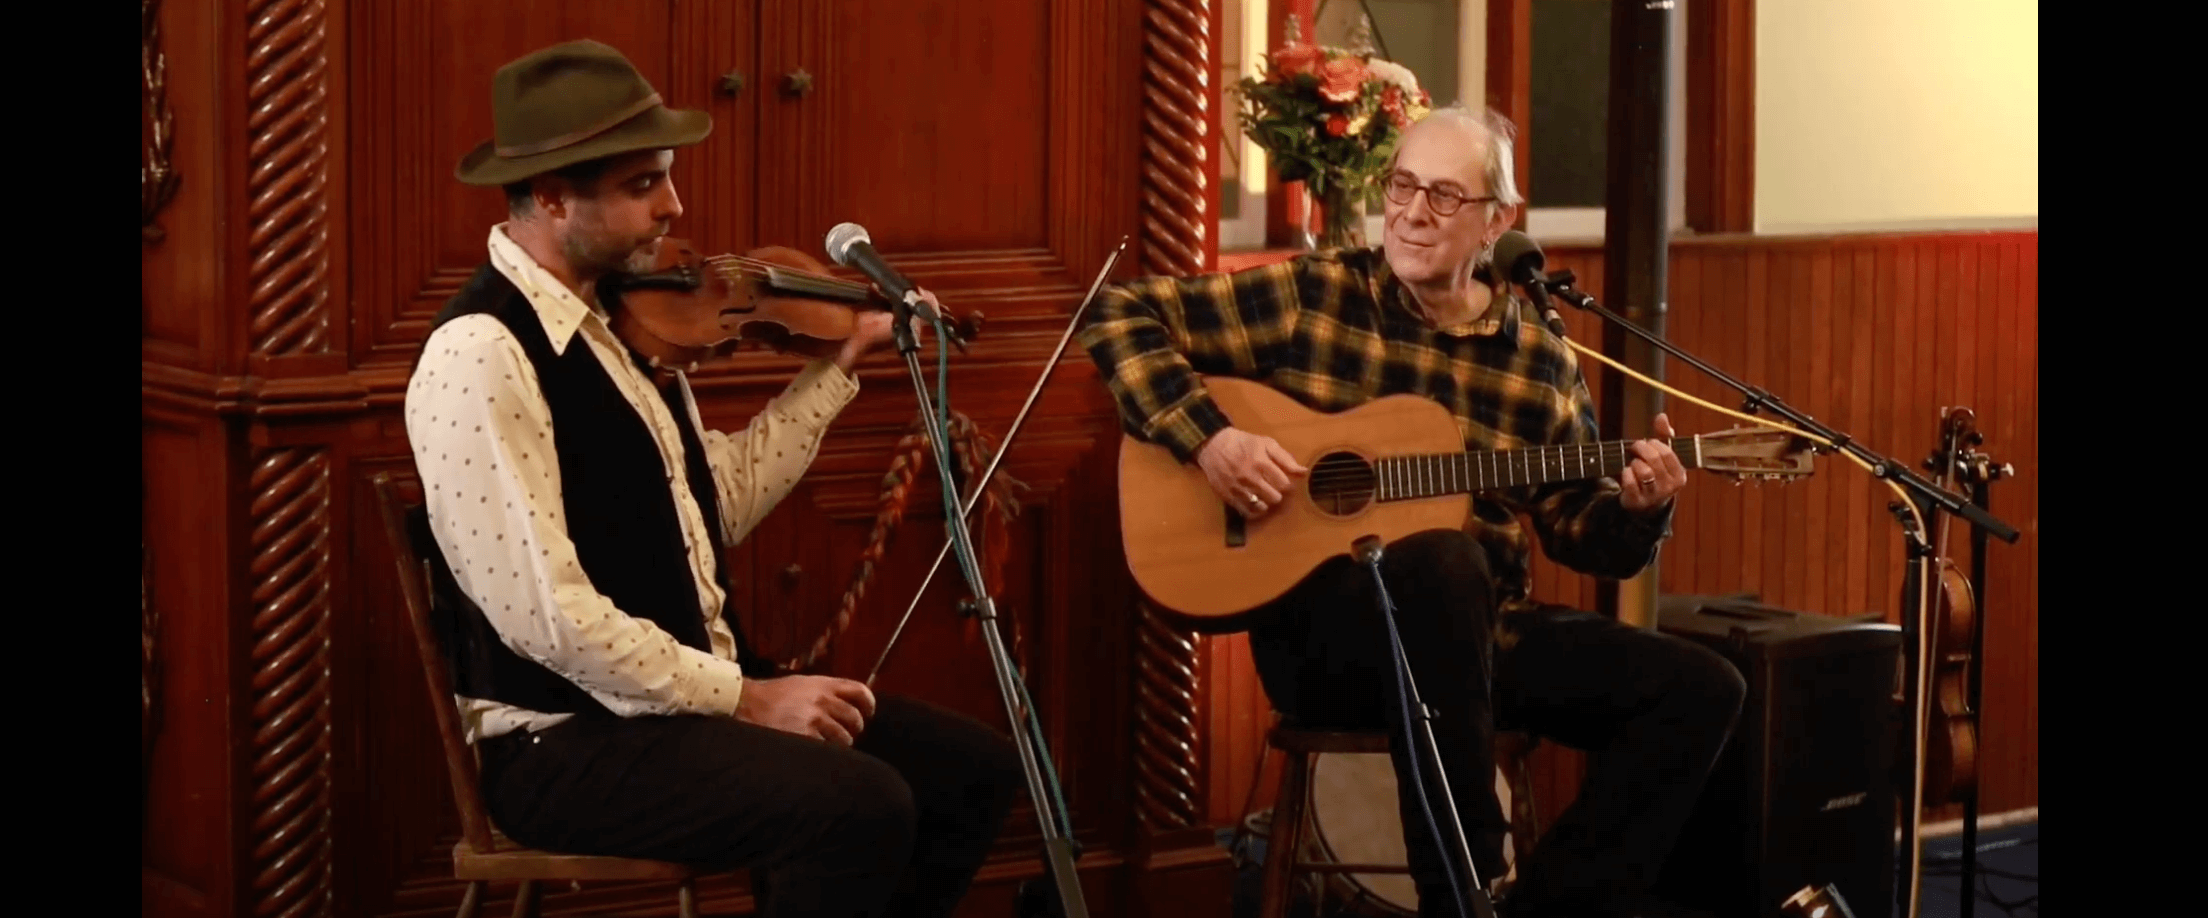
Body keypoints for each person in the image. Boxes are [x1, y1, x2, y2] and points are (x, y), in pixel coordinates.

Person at [1077, 105, 1746, 918]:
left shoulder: (1534, 351)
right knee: (1441, 560)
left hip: (1483, 641)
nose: (1411, 213)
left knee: (1702, 688)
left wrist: (1640, 510)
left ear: (1498, 222)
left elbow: (1582, 532)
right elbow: (1117, 313)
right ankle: (1458, 898)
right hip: (1329, 646)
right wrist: (1209, 440)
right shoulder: (1318, 294)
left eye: (1443, 196)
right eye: (1401, 185)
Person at [404, 40, 1023, 918]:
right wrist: (749, 698)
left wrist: (836, 366)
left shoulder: (627, 326)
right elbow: (548, 619)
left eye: (668, 177)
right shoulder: (480, 352)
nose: (675, 205)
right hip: (566, 744)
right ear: (550, 197)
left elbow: (709, 506)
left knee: (973, 775)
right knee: (855, 805)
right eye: (642, 184)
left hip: (673, 706)